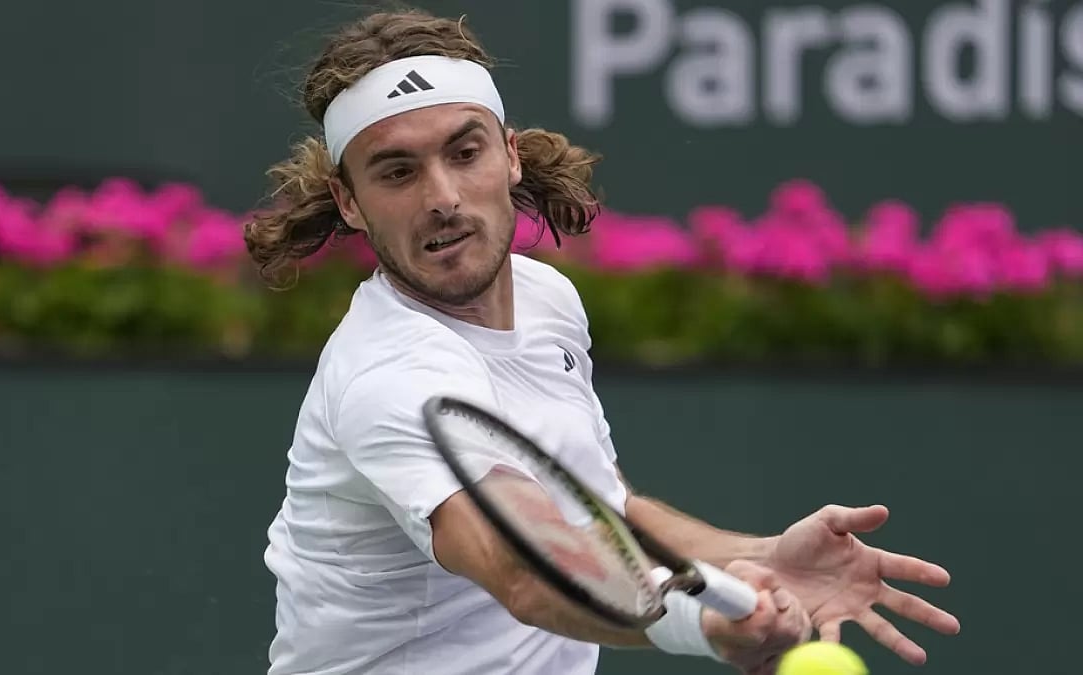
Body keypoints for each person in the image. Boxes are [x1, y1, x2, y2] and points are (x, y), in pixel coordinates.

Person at [247, 9, 960, 675]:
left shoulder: (547, 300)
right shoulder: (389, 376)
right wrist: (700, 624)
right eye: (398, 171)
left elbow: (600, 506)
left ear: (510, 156)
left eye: (465, 152)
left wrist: (765, 556)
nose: (443, 196)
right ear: (349, 201)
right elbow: (521, 566)